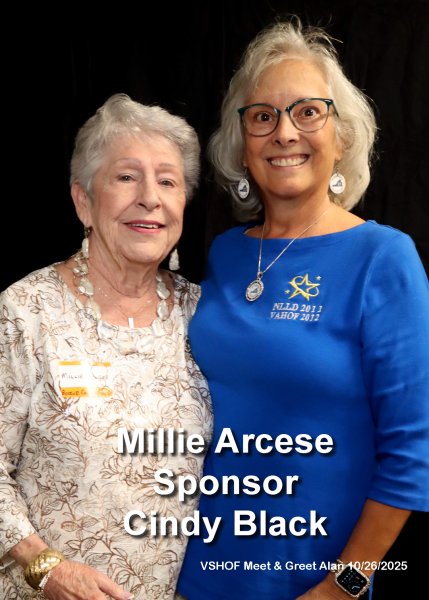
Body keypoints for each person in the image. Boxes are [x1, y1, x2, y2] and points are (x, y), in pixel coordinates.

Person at [177, 19, 429, 600]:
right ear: (242, 144)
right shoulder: (226, 254)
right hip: (195, 573)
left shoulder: (383, 258)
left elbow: (413, 453)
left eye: (308, 112)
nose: (284, 132)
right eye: (263, 116)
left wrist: (344, 587)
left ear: (342, 138)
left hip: (310, 586)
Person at [0, 93, 212, 600]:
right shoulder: (27, 310)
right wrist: (46, 569)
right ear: (84, 201)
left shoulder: (205, 315)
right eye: (127, 177)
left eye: (168, 181)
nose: (150, 198)